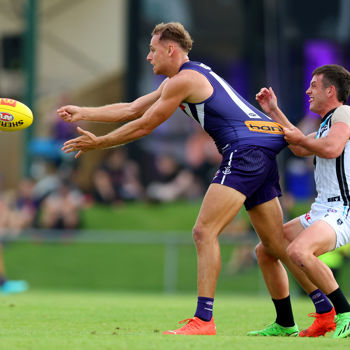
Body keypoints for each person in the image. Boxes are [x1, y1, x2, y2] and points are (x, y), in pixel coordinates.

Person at [58, 22, 297, 335]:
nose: (148, 57)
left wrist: (99, 143)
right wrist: (83, 111)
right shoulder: (186, 75)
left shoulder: (183, 80)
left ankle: (204, 320)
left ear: (171, 49)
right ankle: (322, 312)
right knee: (276, 246)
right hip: (260, 149)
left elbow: (144, 125)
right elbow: (132, 108)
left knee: (204, 231)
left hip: (244, 151)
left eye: (153, 49)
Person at [250, 64, 350, 339]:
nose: (308, 90)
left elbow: (332, 148)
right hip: (323, 209)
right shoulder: (327, 123)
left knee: (298, 252)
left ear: (331, 91)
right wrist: (274, 111)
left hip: (343, 208)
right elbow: (298, 147)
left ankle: (344, 312)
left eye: (314, 85)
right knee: (267, 249)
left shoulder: (344, 112)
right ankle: (285, 323)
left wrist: (297, 136)